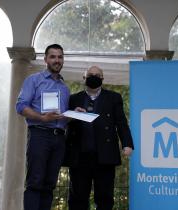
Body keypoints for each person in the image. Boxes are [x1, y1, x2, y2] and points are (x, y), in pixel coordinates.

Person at [63, 66, 134, 210]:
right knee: (77, 198)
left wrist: (127, 144)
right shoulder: (73, 99)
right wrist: (71, 115)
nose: (93, 76)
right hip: (79, 156)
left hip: (105, 155)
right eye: (90, 74)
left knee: (105, 198)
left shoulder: (113, 98)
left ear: (102, 78)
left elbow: (121, 122)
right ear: (84, 78)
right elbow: (63, 122)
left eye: (97, 75)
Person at [16, 44, 70, 210]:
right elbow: (20, 106)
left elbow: (61, 117)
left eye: (60, 57)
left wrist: (73, 115)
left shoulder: (65, 88)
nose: (57, 60)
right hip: (39, 135)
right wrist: (41, 117)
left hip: (59, 138)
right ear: (46, 59)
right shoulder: (34, 80)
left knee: (50, 184)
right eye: (53, 57)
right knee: (35, 182)